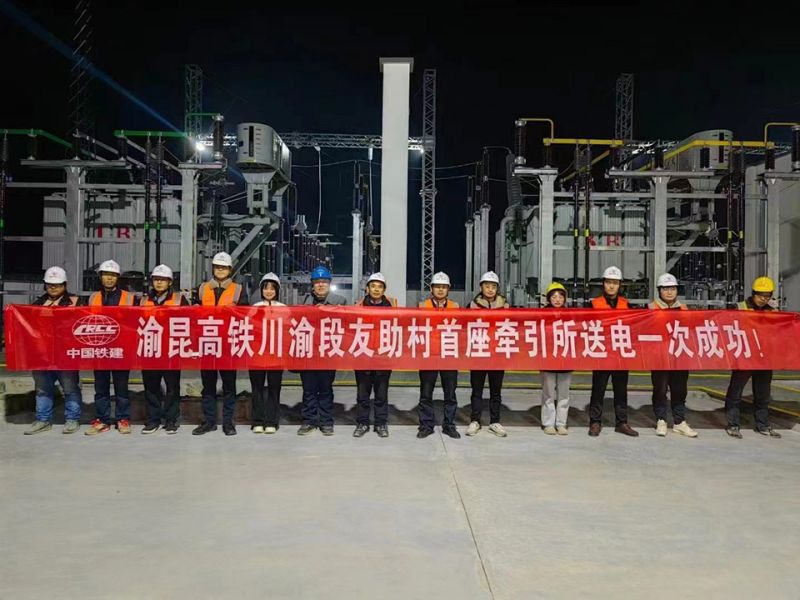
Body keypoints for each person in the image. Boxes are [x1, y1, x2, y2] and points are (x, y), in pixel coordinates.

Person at [192, 252, 248, 436]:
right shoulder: (202, 289)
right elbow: (193, 313)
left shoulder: (238, 290)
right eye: (217, 267)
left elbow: (244, 316)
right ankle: (209, 422)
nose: (220, 270)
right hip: (207, 343)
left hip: (228, 345)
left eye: (223, 267)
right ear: (213, 268)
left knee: (229, 386)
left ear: (230, 270)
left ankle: (228, 422)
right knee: (208, 386)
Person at [25, 266, 83, 435]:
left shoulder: (75, 302)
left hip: (65, 355)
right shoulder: (37, 304)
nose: (53, 287)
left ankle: (72, 419)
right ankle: (43, 420)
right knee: (42, 390)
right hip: (42, 355)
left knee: (70, 388)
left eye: (57, 284)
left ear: (64, 285)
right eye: (50, 284)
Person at [724, 276, 782, 439]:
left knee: (763, 393)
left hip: (764, 358)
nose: (764, 299)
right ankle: (733, 424)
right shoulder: (739, 308)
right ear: (754, 293)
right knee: (736, 392)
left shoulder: (773, 312)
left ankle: (762, 425)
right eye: (761, 295)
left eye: (767, 296)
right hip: (744, 357)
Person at [85, 260, 135, 436]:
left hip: (121, 349)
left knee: (121, 387)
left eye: (113, 275)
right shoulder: (93, 298)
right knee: (101, 387)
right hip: (99, 349)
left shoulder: (129, 298)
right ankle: (102, 419)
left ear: (118, 278)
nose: (109, 278)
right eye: (106, 274)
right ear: (100, 276)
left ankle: (123, 418)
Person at [588, 266, 638, 437]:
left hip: (620, 354)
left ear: (620, 285)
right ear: (603, 284)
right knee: (598, 389)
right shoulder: (593, 304)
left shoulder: (627, 305)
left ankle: (621, 422)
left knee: (621, 390)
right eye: (608, 282)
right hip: (601, 353)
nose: (611, 286)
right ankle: (595, 422)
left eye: (615, 283)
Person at [297, 265, 347, 436]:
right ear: (312, 284)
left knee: (325, 388)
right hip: (308, 352)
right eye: (317, 282)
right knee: (308, 389)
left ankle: (326, 421)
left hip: (328, 353)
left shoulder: (340, 301)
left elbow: (346, 324)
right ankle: (308, 421)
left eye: (324, 281)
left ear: (329, 283)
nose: (320, 285)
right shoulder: (303, 302)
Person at [140, 264, 189, 435]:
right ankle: (153, 420)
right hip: (150, 349)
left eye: (163, 279)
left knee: (172, 387)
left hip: (171, 350)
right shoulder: (143, 301)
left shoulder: (179, 300)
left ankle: (171, 420)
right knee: (151, 387)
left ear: (170, 282)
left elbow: (189, 322)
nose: (159, 282)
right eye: (156, 279)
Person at [649, 273, 697, 438]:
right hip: (660, 357)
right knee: (660, 390)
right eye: (665, 289)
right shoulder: (651, 308)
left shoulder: (684, 309)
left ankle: (679, 421)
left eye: (672, 288)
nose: (669, 292)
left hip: (679, 356)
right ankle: (661, 420)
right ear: (659, 290)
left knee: (680, 390)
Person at [353, 272, 397, 438]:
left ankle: (380, 423)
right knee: (363, 394)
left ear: (384, 290)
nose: (376, 289)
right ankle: (362, 423)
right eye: (373, 286)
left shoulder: (392, 307)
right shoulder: (358, 307)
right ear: (367, 288)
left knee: (381, 394)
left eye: (380, 287)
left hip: (383, 356)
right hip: (363, 355)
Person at [417, 271, 461, 439]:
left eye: (444, 287)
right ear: (431, 288)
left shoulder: (455, 307)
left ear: (448, 289)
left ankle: (449, 425)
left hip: (448, 355)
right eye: (437, 287)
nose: (441, 290)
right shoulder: (422, 306)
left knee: (450, 394)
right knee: (426, 393)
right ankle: (426, 425)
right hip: (429, 354)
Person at [466, 271, 509, 437]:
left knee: (495, 390)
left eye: (493, 286)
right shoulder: (472, 305)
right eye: (487, 286)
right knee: (477, 390)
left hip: (497, 353)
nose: (490, 289)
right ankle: (475, 420)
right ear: (481, 287)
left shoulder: (505, 306)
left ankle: (495, 421)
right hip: (479, 352)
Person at [249, 272, 285, 434]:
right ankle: (257, 420)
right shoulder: (254, 308)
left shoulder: (283, 309)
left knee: (274, 388)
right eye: (266, 288)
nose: (269, 291)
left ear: (277, 290)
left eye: (272, 288)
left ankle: (271, 421)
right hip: (257, 354)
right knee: (257, 388)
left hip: (276, 355)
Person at [540, 282, 572, 435]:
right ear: (548, 299)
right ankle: (548, 423)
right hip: (548, 359)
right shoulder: (541, 315)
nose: (557, 300)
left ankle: (561, 423)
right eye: (554, 297)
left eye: (560, 296)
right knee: (548, 393)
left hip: (565, 358)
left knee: (564, 393)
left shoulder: (570, 315)